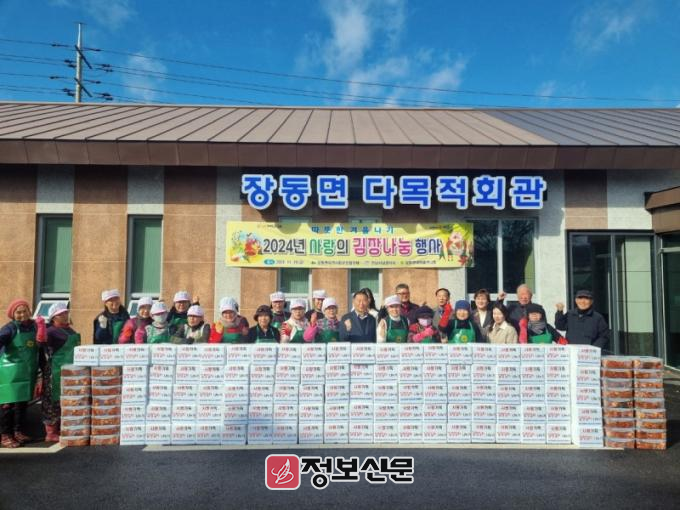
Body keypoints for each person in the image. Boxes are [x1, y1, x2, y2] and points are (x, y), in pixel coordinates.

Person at [37, 303, 80, 442]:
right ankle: (50, 432)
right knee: (52, 401)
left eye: (66, 313)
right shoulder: (51, 331)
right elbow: (41, 343)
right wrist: (41, 328)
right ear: (54, 317)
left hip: (70, 370)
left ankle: (62, 427)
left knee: (66, 399)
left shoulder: (70, 330)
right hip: (54, 371)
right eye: (61, 314)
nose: (65, 315)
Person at [0, 299, 39, 448]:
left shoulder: (33, 327)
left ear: (30, 311)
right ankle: (5, 435)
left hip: (27, 371)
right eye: (18, 312)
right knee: (8, 405)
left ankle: (18, 431)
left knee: (21, 403)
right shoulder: (9, 328)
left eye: (25, 311)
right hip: (10, 372)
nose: (22, 314)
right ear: (13, 314)